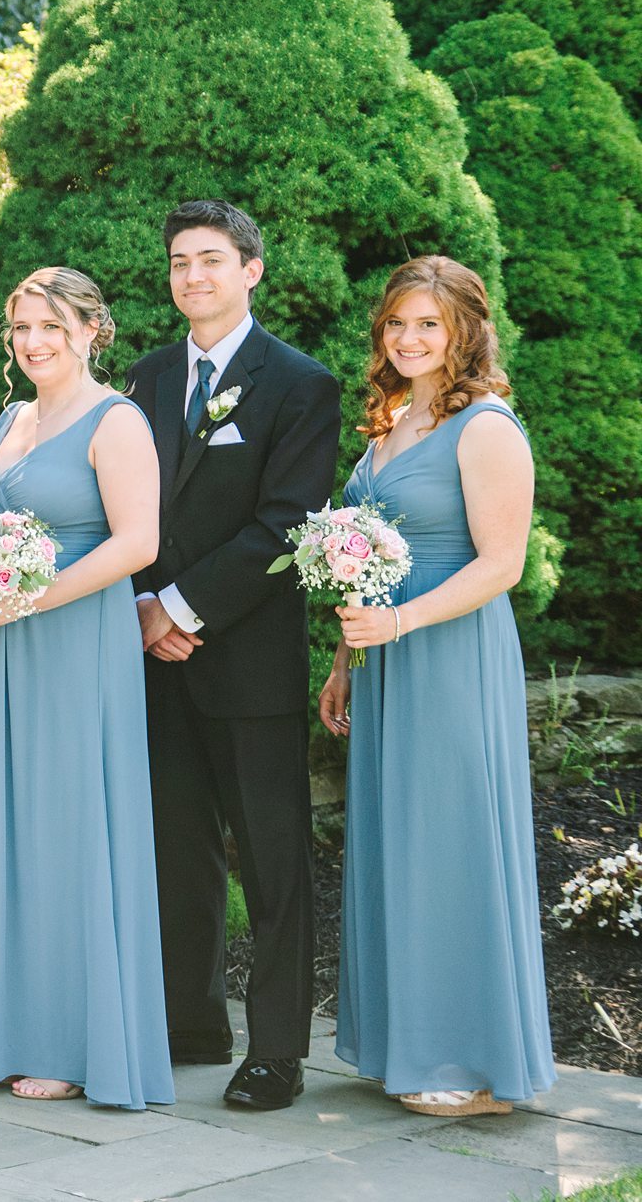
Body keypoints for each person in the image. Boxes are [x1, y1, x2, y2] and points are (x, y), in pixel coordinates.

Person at [322, 257, 553, 1117]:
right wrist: (347, 658)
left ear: (465, 330)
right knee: (398, 842)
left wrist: (403, 624)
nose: (409, 338)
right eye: (396, 324)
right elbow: (360, 555)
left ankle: (468, 1052)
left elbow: (504, 562)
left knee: (451, 839)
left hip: (451, 655)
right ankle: (405, 1040)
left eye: (429, 324)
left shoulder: (487, 426)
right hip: (384, 659)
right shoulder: (388, 425)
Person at [129, 201, 340, 1111]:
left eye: (211, 259)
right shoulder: (140, 379)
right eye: (179, 261)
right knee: (176, 846)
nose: (192, 276)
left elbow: (287, 521)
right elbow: (124, 509)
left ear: (252, 269)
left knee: (272, 853)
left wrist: (179, 604)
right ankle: (191, 1019)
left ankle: (279, 1049)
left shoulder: (299, 382)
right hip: (151, 655)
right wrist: (143, 607)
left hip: (247, 658)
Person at [0, 267, 171, 1110]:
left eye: (50, 326)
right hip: (4, 648)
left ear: (90, 330)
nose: (33, 342)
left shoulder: (116, 420)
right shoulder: (13, 416)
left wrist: (28, 595)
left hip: (76, 640)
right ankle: (10, 1026)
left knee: (72, 825)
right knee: (13, 824)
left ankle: (79, 1041)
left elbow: (138, 542)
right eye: (20, 329)